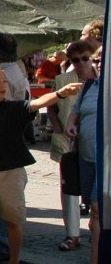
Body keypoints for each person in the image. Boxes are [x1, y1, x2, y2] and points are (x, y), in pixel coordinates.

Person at [0, 68, 82, 264]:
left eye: (4, 82)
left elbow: (38, 102)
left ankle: (14, 261)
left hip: (12, 173)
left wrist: (60, 93)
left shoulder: (14, 108)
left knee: (13, 222)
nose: (3, 86)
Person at [51, 41, 96, 251]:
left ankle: (94, 227)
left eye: (85, 58)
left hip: (95, 145)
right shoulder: (62, 80)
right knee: (69, 188)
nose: (80, 63)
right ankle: (72, 234)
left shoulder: (101, 80)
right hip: (67, 143)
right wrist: (58, 126)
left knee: (93, 191)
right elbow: (50, 105)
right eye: (75, 60)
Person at [66, 46, 103, 261]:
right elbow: (76, 112)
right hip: (86, 157)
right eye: (97, 59)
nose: (98, 63)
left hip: (106, 160)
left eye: (100, 59)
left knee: (97, 209)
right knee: (92, 211)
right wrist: (71, 125)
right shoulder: (90, 86)